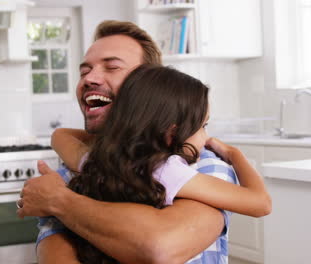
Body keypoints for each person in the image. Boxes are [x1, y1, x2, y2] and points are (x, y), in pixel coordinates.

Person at [17, 20, 264, 264]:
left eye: (112, 67)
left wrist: (60, 201)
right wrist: (235, 153)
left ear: (149, 85)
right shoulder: (81, 168)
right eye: (84, 71)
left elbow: (160, 248)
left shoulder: (205, 166)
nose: (90, 78)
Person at [51, 64, 271, 263]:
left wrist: (118, 136)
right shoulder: (168, 171)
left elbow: (59, 136)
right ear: (171, 134)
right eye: (203, 126)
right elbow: (260, 203)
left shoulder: (95, 161)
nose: (206, 139)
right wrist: (234, 154)